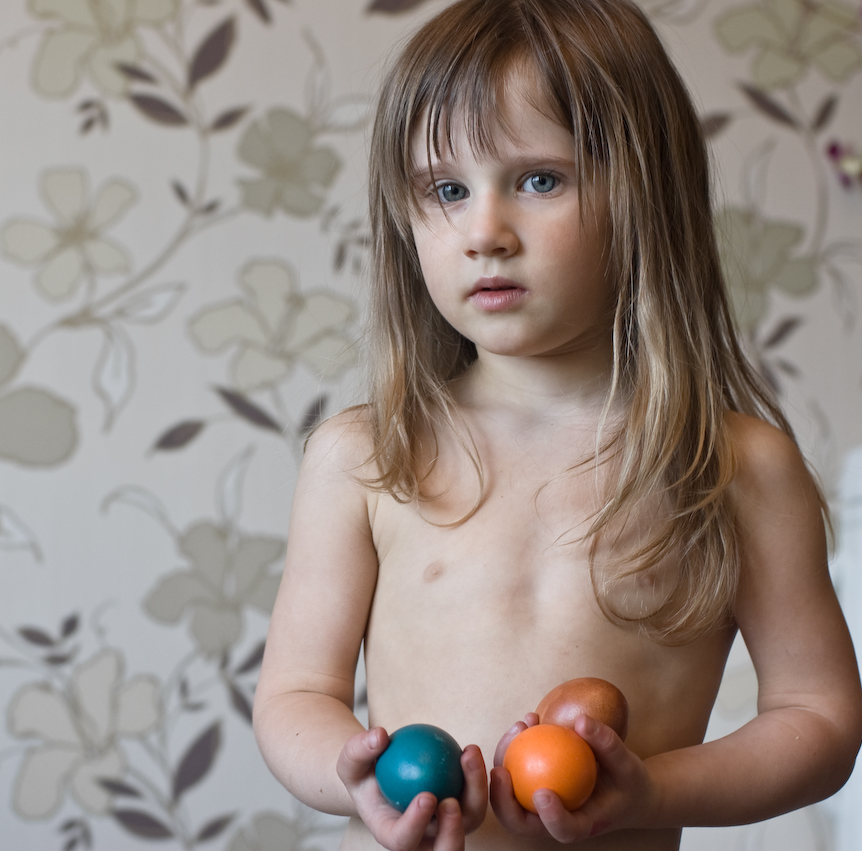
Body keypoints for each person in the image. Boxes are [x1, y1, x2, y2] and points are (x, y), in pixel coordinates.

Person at [250, 0, 862, 849]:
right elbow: (294, 696)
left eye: (540, 179)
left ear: (646, 194)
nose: (485, 233)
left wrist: (653, 791)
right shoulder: (367, 456)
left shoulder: (735, 468)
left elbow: (819, 718)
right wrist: (352, 775)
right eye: (447, 190)